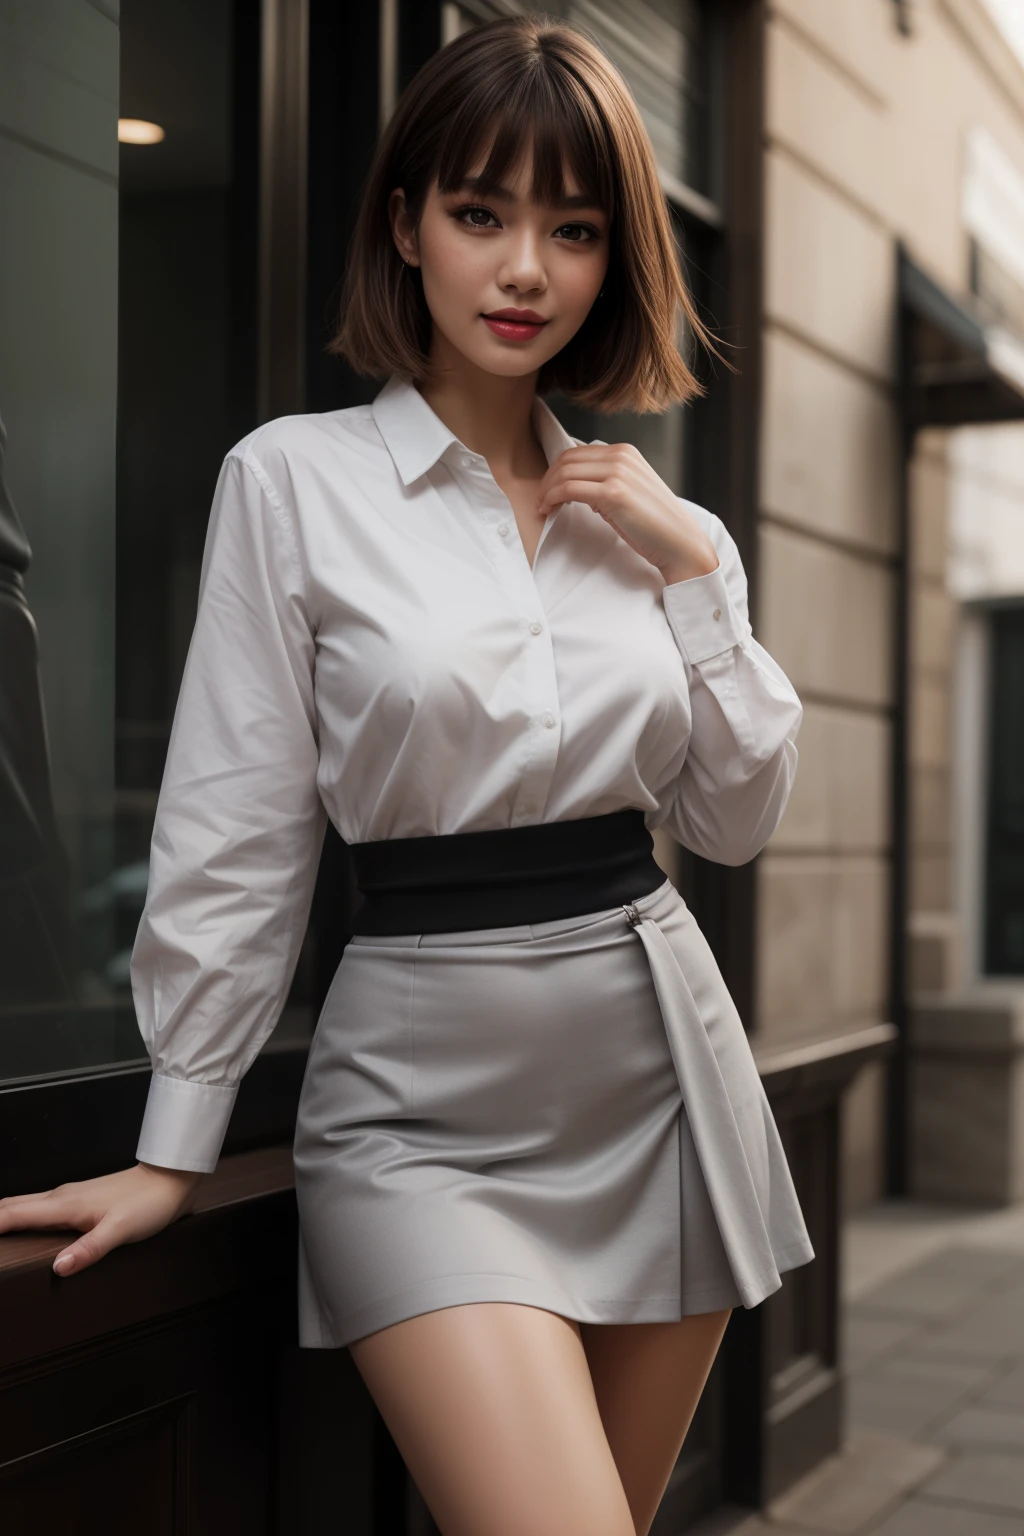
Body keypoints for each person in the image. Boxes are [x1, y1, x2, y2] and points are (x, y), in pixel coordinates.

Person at [0, 16, 813, 1536]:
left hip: (662, 1075)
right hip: (417, 1116)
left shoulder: (660, 527)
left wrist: (703, 579)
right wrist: (174, 1146)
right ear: (406, 224)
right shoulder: (293, 483)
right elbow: (237, 831)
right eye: (481, 213)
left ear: (613, 257)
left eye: (573, 230)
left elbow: (734, 819)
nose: (525, 270)